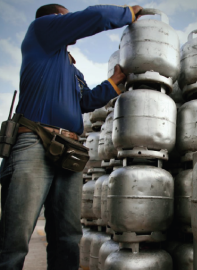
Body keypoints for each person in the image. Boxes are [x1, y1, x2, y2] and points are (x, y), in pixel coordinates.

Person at [0, 3, 142, 269]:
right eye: (65, 18)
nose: (70, 22)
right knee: (14, 241)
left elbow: (85, 102)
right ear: (53, 20)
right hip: (35, 142)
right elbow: (93, 17)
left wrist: (113, 82)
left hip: (68, 151)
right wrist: (128, 14)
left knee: (67, 238)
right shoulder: (40, 31)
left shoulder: (71, 70)